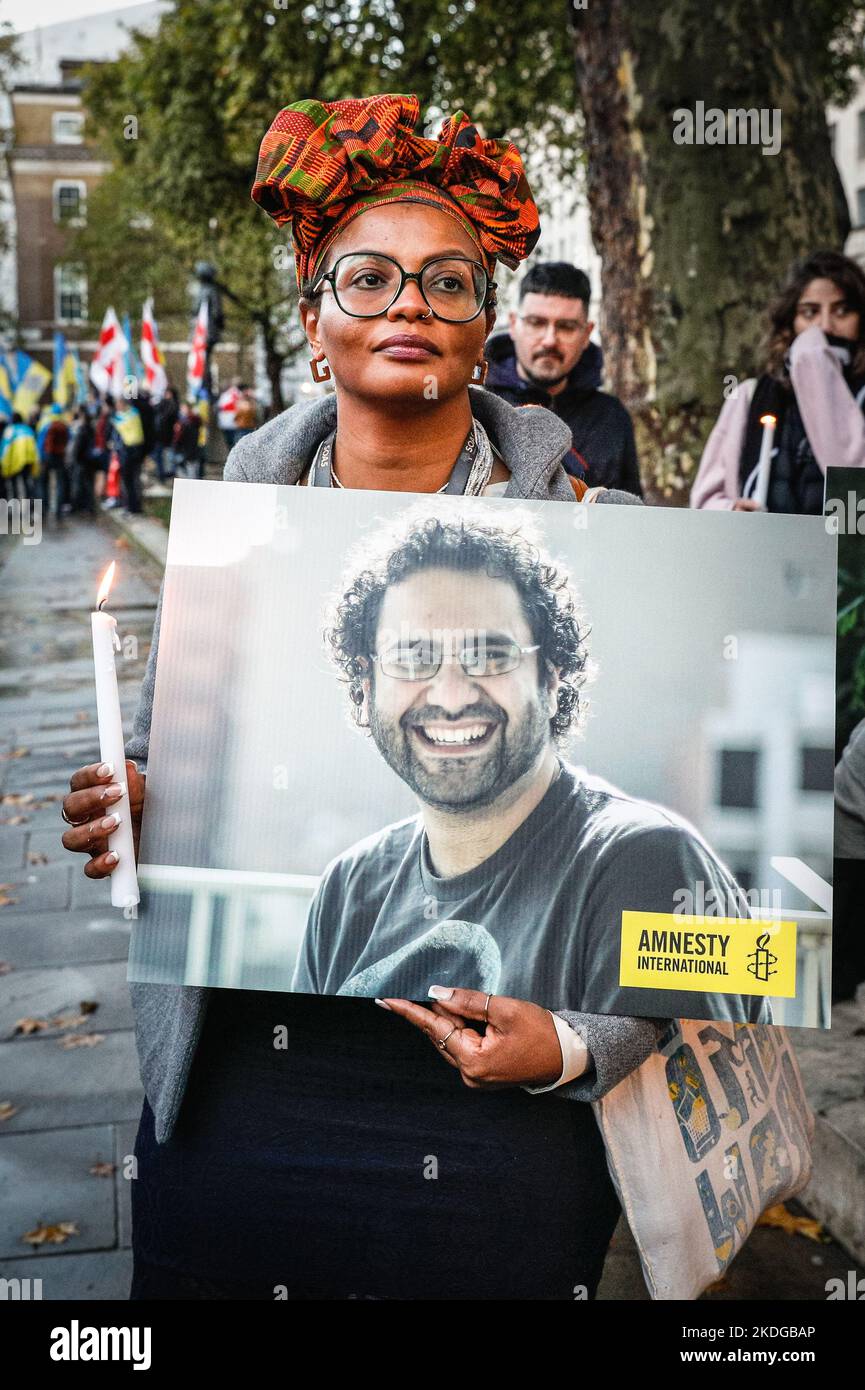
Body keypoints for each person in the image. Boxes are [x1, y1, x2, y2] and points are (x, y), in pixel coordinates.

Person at [61, 93, 651, 1302]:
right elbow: (191, 791)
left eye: (447, 283)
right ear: (315, 313)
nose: (408, 309)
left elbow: (674, 884)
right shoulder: (228, 546)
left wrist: (578, 1047)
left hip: (498, 1115)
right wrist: (147, 813)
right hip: (242, 1092)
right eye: (368, 278)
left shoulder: (606, 546)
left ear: (481, 323)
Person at [297, 508, 770, 1025]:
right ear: (366, 686)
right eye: (412, 658)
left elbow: (712, 1101)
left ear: (550, 678)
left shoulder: (661, 863)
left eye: (491, 655)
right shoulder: (345, 889)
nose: (451, 696)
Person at [691, 248, 865, 511]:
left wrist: (815, 365)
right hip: (767, 550)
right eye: (810, 312)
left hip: (846, 552)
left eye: (842, 311)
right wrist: (734, 511)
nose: (826, 326)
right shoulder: (750, 398)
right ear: (790, 321)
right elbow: (706, 501)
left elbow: (856, 488)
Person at [485, 261, 642, 495]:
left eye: (566, 327)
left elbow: (630, 518)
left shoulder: (611, 418)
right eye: (537, 323)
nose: (550, 340)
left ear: (587, 333)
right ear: (515, 325)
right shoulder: (478, 403)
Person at [110, 399, 146, 514]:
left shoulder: (129, 416)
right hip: (131, 451)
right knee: (130, 480)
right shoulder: (129, 414)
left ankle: (131, 507)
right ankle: (131, 506)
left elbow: (123, 428)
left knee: (129, 480)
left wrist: (116, 421)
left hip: (130, 451)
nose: (117, 408)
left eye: (118, 405)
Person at [39, 404, 71, 520]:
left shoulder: (46, 424)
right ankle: (59, 510)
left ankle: (44, 508)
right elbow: (69, 441)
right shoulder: (65, 425)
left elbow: (41, 442)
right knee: (60, 483)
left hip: (47, 457)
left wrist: (41, 457)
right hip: (60, 457)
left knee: (43, 483)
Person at [1, 412, 39, 504]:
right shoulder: (28, 429)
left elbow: (5, 447)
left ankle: (16, 509)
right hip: (28, 461)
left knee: (14, 486)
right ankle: (30, 509)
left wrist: (3, 463)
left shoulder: (10, 430)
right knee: (27, 484)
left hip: (14, 462)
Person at [153, 386, 179, 483]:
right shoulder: (163, 404)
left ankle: (168, 474)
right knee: (160, 456)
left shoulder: (172, 405)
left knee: (169, 456)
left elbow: (167, 418)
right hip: (162, 436)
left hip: (167, 436)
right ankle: (163, 474)